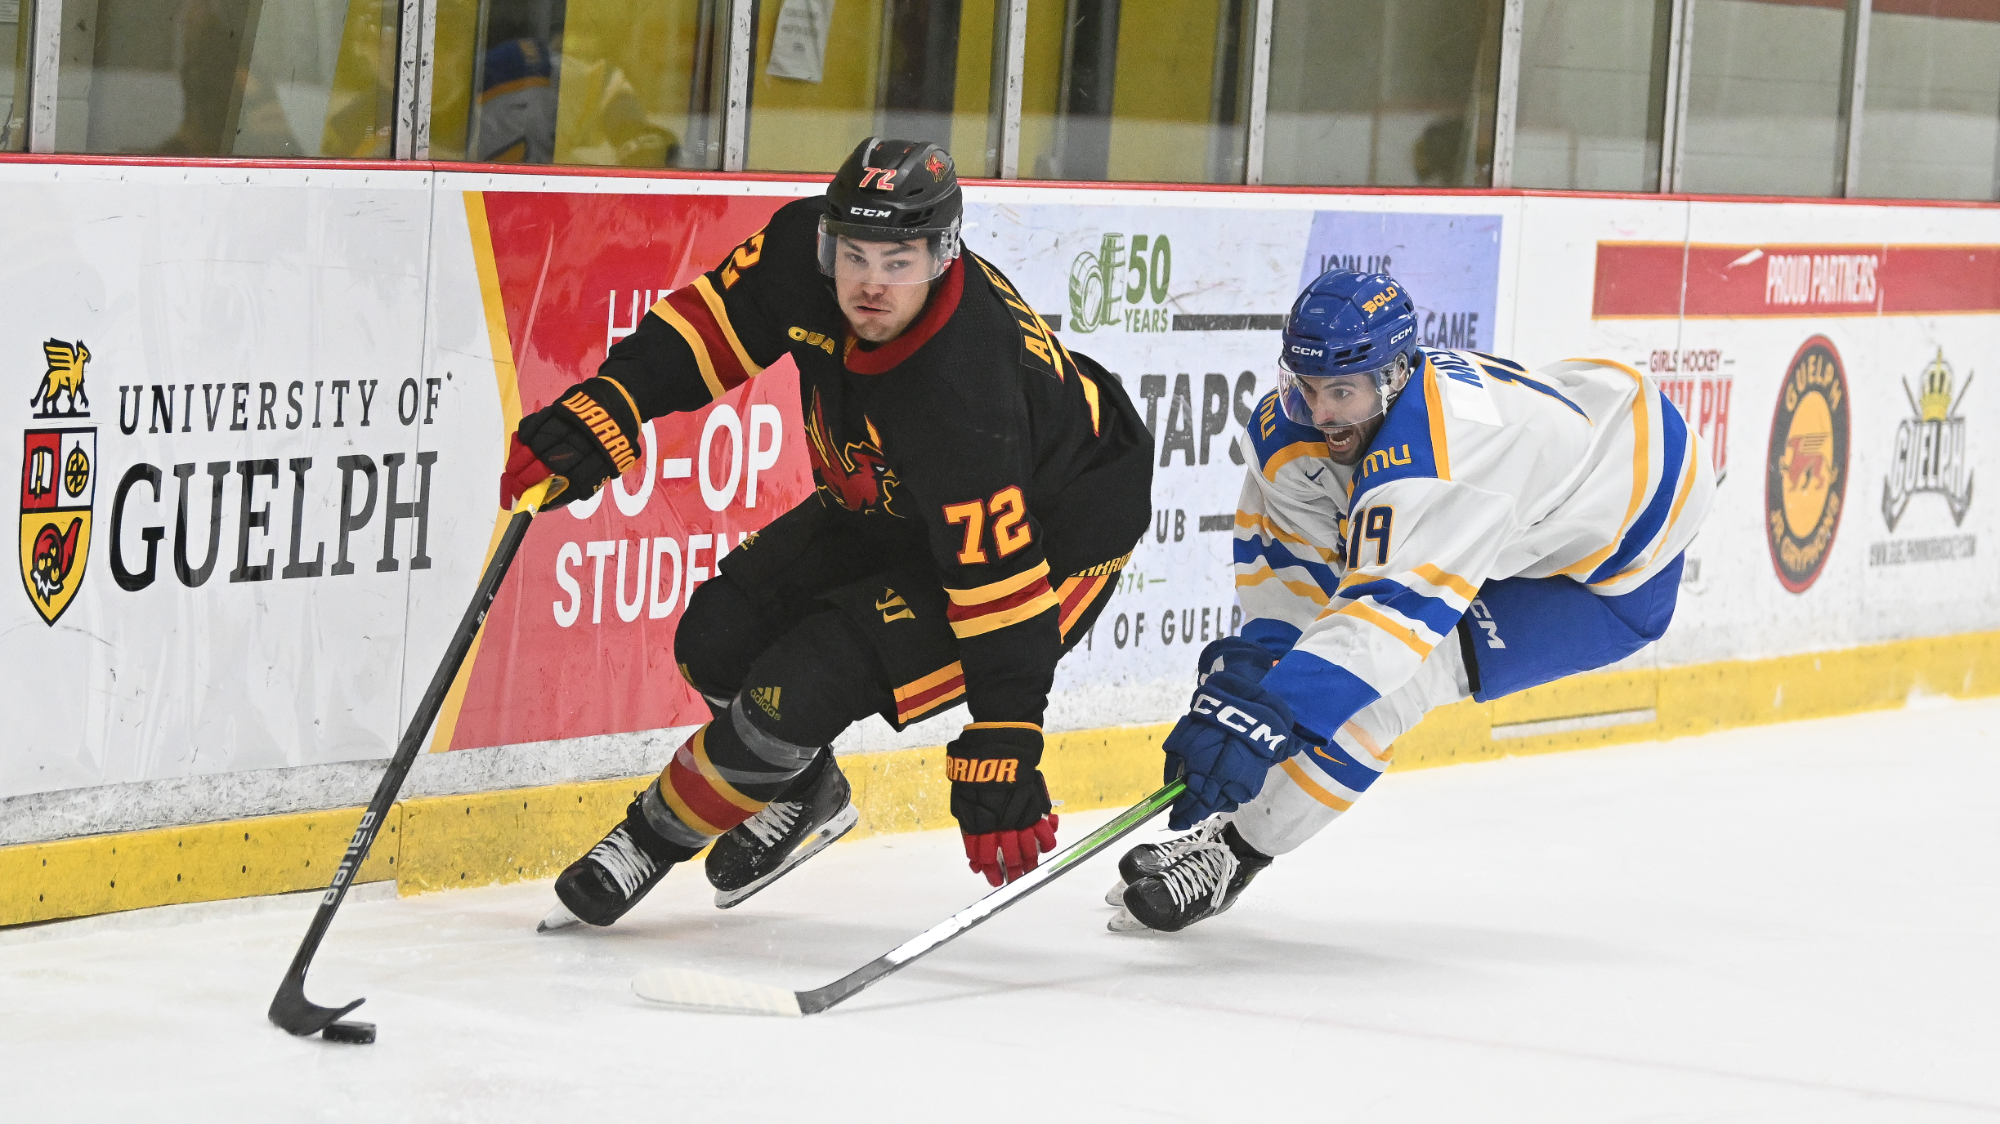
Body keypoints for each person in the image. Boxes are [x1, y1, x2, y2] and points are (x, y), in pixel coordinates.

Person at [502, 137, 1153, 928]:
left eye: (899, 262)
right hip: (893, 502)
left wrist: (1006, 732)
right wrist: (610, 401)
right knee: (714, 640)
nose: (872, 284)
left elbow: (999, 589)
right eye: (855, 256)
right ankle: (803, 788)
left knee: (796, 690)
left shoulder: (965, 393)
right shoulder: (797, 257)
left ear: (944, 255)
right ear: (827, 241)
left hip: (1052, 544)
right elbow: (708, 326)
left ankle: (645, 841)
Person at [1109, 269, 1714, 933]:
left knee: (1382, 693)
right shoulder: (1294, 435)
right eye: (1306, 387)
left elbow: (1376, 636)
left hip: (1615, 560)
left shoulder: (1443, 466)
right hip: (1565, 455)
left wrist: (1265, 720)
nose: (1320, 413)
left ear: (1395, 377)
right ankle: (1227, 831)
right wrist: (1260, 673)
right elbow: (1293, 580)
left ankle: (1231, 853)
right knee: (1310, 676)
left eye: (1343, 391)